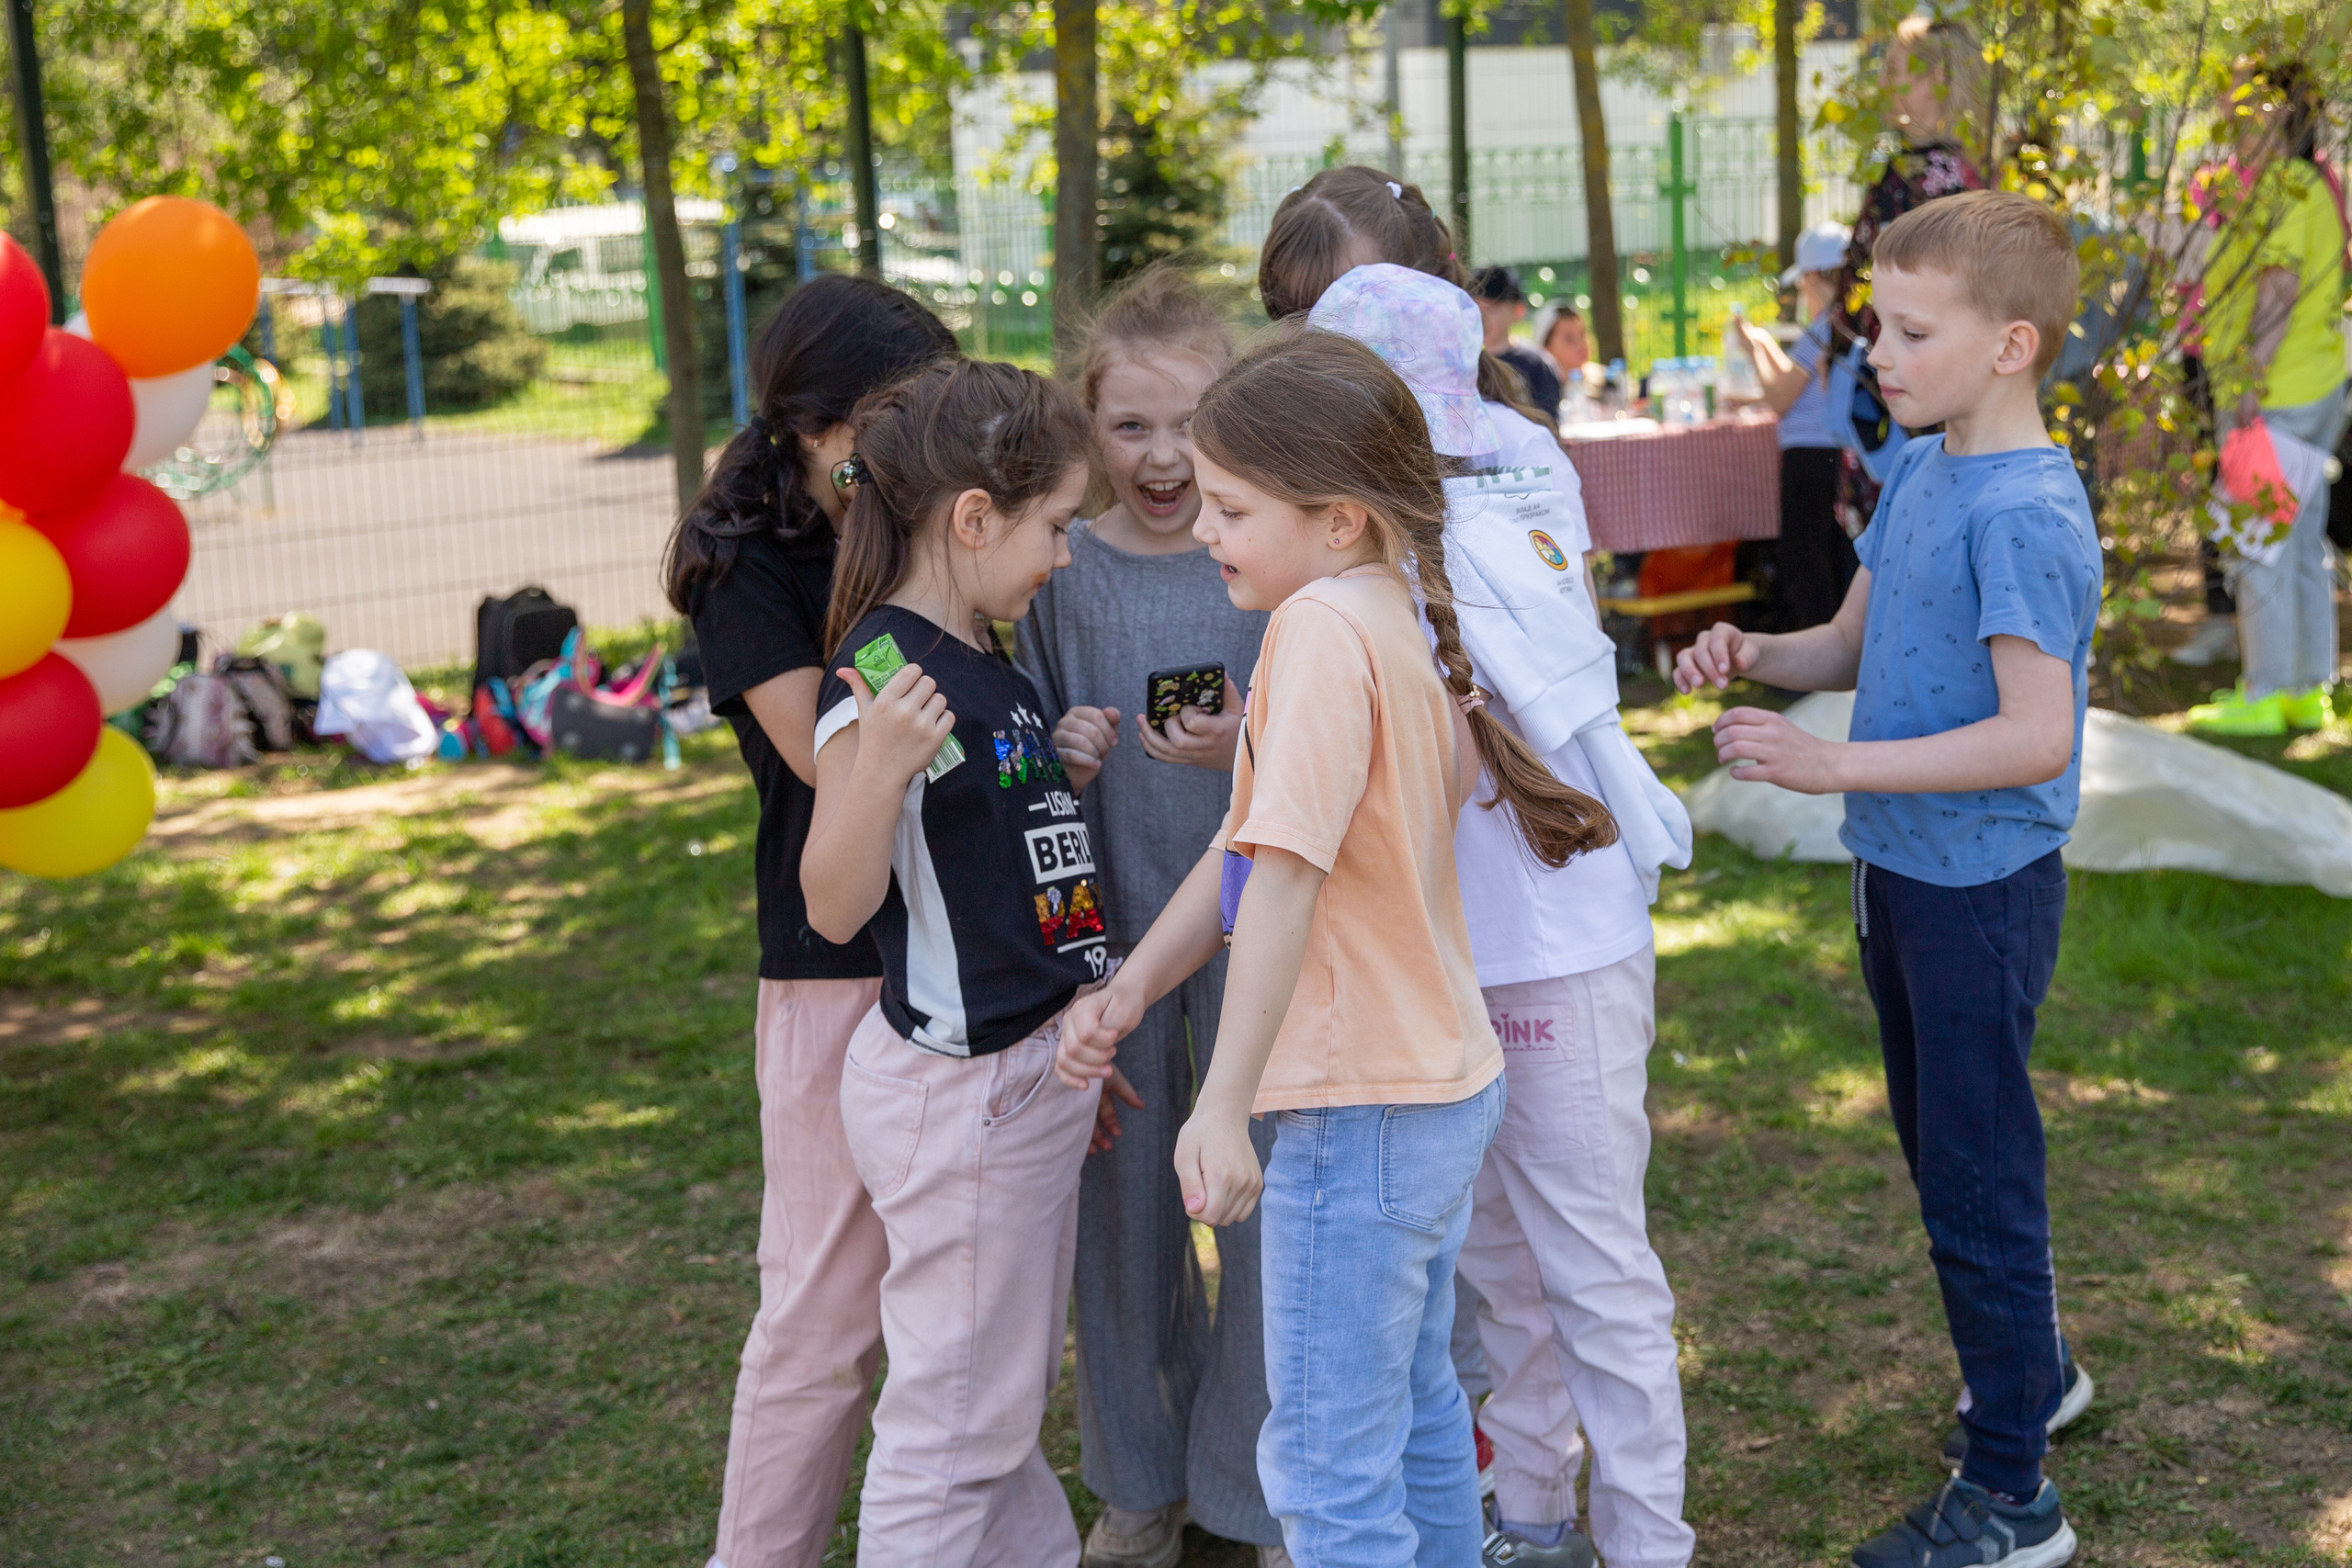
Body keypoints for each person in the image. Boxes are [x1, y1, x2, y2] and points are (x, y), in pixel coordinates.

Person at [1056, 327, 1618, 1563]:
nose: (1207, 528)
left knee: (1324, 1466)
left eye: (1236, 506)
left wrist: (1220, 1100)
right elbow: (1257, 849)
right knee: (1417, 1415)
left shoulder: (1314, 636)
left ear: (1344, 517)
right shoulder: (1386, 613)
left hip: (1359, 1111)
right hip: (1434, 1087)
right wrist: (1140, 982)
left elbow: (1287, 879)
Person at [1261, 175, 1697, 1568]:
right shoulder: (1341, 506)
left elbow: (1527, 675)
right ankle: (1535, 1518)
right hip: (1436, 947)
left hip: (1555, 939)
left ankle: (1648, 1541)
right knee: (1497, 1269)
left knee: (1593, 1265)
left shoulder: (1509, 466)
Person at [1676, 191, 2102, 1568]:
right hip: (1899, 876)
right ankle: (2034, 1371)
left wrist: (1834, 771)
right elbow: (1854, 646)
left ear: (2012, 345)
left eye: (1913, 331)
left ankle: (2013, 1495)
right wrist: (1753, 649)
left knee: (1978, 1176)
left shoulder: (2029, 508)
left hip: (1977, 890)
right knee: (1948, 1159)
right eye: (1877, 323)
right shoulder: (1924, 464)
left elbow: (2036, 732)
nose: (1881, 353)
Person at [661, 273, 956, 1568]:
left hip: (963, 943)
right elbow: (830, 758)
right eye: (896, 417)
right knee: (825, 1310)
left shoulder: (919, 519)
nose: (914, 441)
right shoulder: (749, 568)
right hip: (834, 963)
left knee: (951, 1293)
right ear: (818, 425)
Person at [799, 357, 1102, 1566]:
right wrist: (873, 766)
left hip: (1024, 1074)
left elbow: (982, 843)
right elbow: (833, 903)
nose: (1066, 556)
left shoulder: (974, 646)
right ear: (974, 518)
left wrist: (1056, 763)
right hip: (965, 1092)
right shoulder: (886, 674)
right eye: (1059, 527)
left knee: (993, 1398)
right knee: (957, 1422)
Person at [1014, 266, 1287, 1567]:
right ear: (1089, 425)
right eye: (1131, 426)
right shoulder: (1061, 575)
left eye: (1190, 422)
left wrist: (1255, 744)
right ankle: (1137, 1476)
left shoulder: (1268, 556)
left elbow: (1328, 746)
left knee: (1265, 1206)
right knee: (1120, 1218)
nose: (1164, 455)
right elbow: (1010, 777)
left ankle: (1251, 1482)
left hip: (1256, 940)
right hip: (1109, 949)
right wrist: (1055, 753)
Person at [2184, 57, 2348, 737]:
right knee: (2301, 542)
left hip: (2275, 390)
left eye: (2240, 105)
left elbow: (2278, 287)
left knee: (2259, 547)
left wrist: (2249, 377)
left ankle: (2266, 689)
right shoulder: (2308, 181)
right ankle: (2310, 687)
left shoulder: (2283, 183)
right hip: (2314, 384)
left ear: (2278, 112)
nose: (2228, 117)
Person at [1825, 15, 1988, 535]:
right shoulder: (1974, 173)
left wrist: (1842, 357)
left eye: (1898, 69)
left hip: (1897, 400)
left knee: (1895, 553)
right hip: (1956, 397)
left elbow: (1868, 291)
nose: (1883, 83)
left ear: (1938, 78)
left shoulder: (1909, 178)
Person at [1732, 221, 1859, 631]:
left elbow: (1780, 399)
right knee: (1834, 551)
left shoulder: (1822, 328)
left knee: (1807, 557)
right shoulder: (1844, 325)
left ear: (1812, 278)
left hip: (1810, 455)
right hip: (1836, 452)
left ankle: (1813, 649)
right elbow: (1794, 385)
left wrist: (1754, 352)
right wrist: (1765, 346)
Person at [1471, 265, 1565, 420]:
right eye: (1475, 307)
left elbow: (1547, 423)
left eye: (1492, 309)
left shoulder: (1536, 366)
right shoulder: (1463, 362)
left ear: (1518, 311)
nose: (1482, 317)